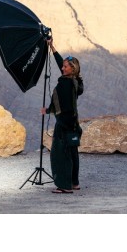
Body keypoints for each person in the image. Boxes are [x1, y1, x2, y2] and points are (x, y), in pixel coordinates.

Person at [41, 38, 84, 194]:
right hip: (73, 123)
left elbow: (65, 107)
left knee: (60, 154)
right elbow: (61, 62)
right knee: (72, 153)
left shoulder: (65, 84)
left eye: (65, 66)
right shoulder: (75, 81)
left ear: (71, 69)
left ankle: (64, 186)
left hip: (65, 123)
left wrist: (49, 111)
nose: (62, 67)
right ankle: (74, 183)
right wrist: (52, 47)